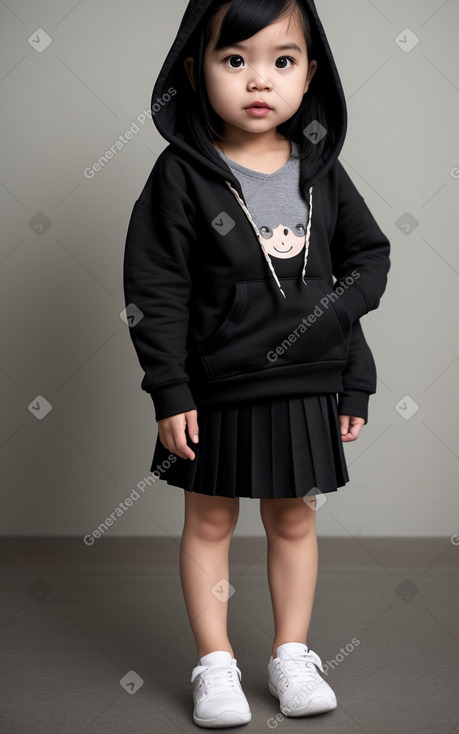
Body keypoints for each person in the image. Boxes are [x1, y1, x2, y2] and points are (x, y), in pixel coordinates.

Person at [123, 0, 391, 727]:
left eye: (282, 60)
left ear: (311, 73)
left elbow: (362, 262)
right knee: (209, 523)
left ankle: (292, 655)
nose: (258, 80)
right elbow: (154, 290)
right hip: (213, 387)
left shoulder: (321, 170)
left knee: (294, 521)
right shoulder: (180, 176)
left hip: (308, 382)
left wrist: (351, 374)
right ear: (193, 68)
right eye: (233, 59)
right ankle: (215, 665)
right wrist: (169, 388)